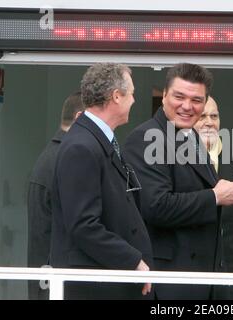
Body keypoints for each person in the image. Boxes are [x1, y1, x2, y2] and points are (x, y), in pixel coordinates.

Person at [123, 63, 233, 300]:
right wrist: (215, 196)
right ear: (164, 95)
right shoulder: (145, 138)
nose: (187, 106)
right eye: (179, 97)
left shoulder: (191, 137)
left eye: (196, 100)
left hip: (203, 280)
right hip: (171, 284)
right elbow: (155, 206)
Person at [50, 63, 153, 300]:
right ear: (117, 96)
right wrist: (133, 261)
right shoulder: (81, 147)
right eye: (132, 93)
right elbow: (83, 225)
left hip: (106, 283)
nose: (134, 100)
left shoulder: (95, 140)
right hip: (96, 288)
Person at [193, 96, 233, 299]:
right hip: (194, 266)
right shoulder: (177, 158)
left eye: (214, 116)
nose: (209, 122)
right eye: (202, 116)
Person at [27, 91, 84, 300]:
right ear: (80, 118)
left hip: (47, 280)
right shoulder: (64, 161)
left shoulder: (52, 156)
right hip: (56, 283)